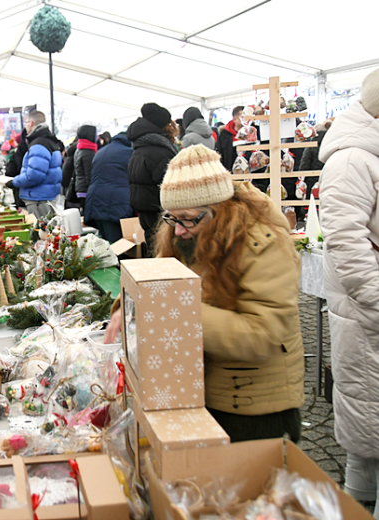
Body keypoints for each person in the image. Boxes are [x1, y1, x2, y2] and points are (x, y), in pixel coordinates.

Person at [106, 144, 304, 442]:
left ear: (219, 210)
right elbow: (158, 281)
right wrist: (127, 305)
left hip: (255, 409)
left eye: (187, 218)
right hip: (200, 389)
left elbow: (263, 334)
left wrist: (174, 309)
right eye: (172, 218)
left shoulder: (264, 243)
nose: (178, 230)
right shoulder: (186, 234)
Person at [319, 68, 379, 513]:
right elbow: (347, 242)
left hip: (366, 312)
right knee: (365, 426)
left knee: (368, 427)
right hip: (366, 314)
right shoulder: (352, 159)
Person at [127, 102, 178, 253]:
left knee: (153, 247)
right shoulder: (160, 150)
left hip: (145, 208)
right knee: (162, 250)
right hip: (159, 210)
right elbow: (167, 183)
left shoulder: (140, 147)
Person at [4, 111, 62, 220]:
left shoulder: (38, 144)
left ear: (31, 123)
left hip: (38, 199)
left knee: (40, 232)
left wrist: (14, 182)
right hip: (45, 197)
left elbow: (34, 175)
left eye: (25, 122)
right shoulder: (48, 141)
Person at [84, 132, 134, 243]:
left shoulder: (101, 152)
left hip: (94, 200)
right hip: (116, 203)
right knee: (118, 245)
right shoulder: (129, 153)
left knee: (105, 243)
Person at [73, 124, 98, 209]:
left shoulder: (79, 149)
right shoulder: (88, 152)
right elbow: (90, 174)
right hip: (86, 190)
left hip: (80, 188)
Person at [216, 106, 244, 170]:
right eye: (242, 117)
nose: (246, 120)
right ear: (235, 119)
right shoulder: (224, 135)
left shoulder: (252, 133)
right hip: (231, 173)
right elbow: (219, 155)